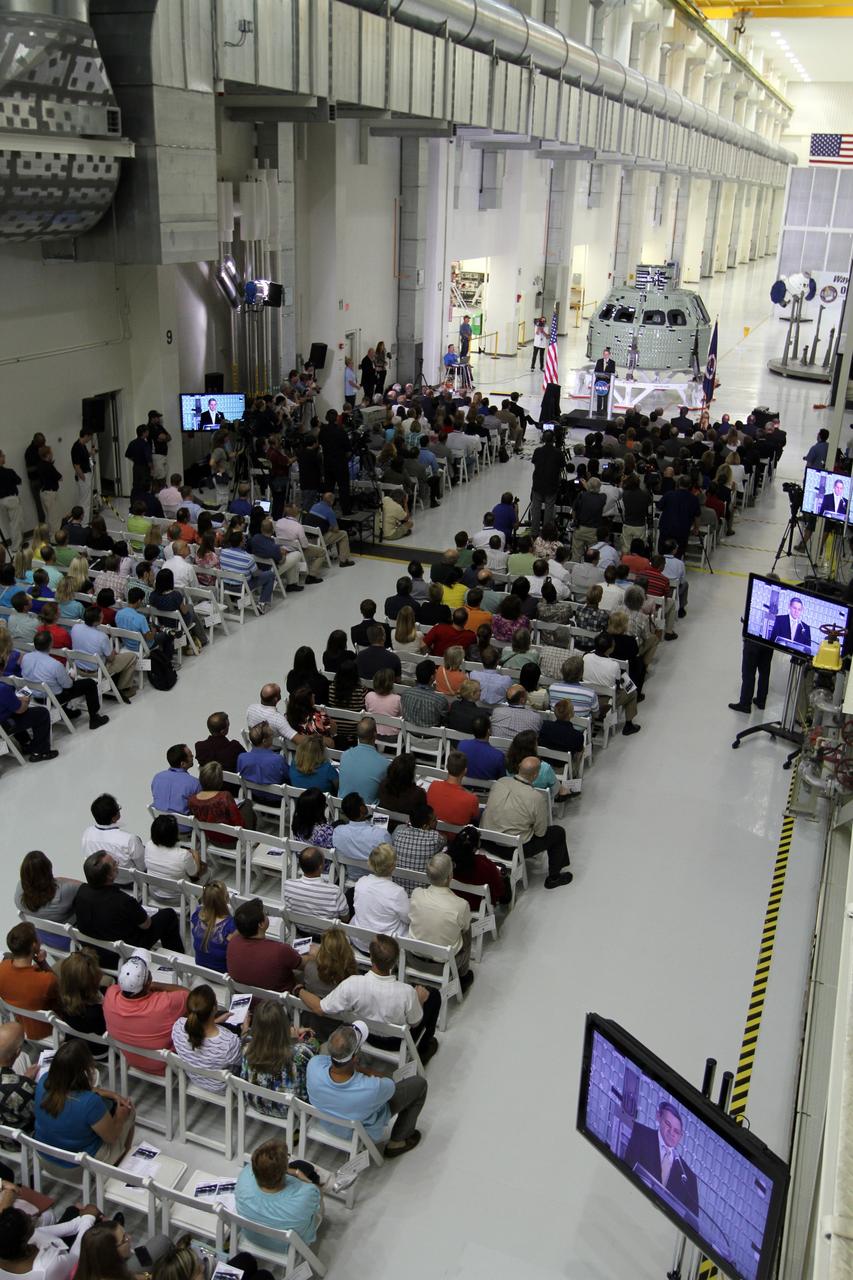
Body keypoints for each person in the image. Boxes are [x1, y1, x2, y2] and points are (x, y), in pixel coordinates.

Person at [297, 934, 440, 1061]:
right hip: (397, 1042)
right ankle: (424, 1049)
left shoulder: (352, 984)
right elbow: (415, 1023)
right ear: (396, 961)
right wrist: (419, 1001)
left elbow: (320, 1007)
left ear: (371, 957)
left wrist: (299, 990)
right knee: (433, 994)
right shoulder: (407, 992)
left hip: (364, 1034)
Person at [306, 1022, 428, 1157]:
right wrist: (366, 1071)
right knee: (419, 1084)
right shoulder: (372, 1088)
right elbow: (390, 1085)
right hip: (358, 1131)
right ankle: (397, 1142)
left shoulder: (313, 1065)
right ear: (355, 1057)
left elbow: (330, 1064)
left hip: (327, 1123)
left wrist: (357, 1068)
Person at [34, 1039, 134, 1165]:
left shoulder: (43, 1081)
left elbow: (70, 1087)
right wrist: (120, 1117)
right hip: (78, 1167)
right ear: (85, 1070)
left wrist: (111, 1094)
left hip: (43, 1156)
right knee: (129, 1110)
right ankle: (122, 1163)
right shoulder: (90, 1102)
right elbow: (112, 1137)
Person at [74, 850, 185, 963]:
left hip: (92, 953)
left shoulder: (81, 893)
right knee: (168, 915)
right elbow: (146, 925)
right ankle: (178, 963)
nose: (117, 864)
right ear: (109, 875)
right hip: (120, 955)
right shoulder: (123, 901)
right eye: (114, 863)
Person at [482, 757, 573, 888]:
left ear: (519, 767)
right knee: (558, 833)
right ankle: (554, 877)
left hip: (487, 841)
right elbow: (541, 833)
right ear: (535, 775)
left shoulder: (500, 782)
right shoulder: (536, 797)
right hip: (512, 849)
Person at [103, 955, 189, 1075]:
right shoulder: (165, 1003)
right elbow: (189, 995)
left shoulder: (111, 994)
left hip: (132, 1060)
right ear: (148, 981)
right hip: (167, 1065)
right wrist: (156, 985)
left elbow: (117, 988)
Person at [235, 1138, 322, 1249]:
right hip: (289, 1247)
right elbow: (318, 1200)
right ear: (285, 1168)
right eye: (287, 1157)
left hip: (252, 1237)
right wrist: (305, 1179)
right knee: (309, 1172)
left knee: (300, 1166)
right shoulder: (306, 1194)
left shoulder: (244, 1177)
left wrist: (293, 1171)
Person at [622, 1100, 699, 1219]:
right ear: (658, 1117)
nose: (671, 1133)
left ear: (681, 1136)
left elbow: (692, 1223)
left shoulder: (689, 1178)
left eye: (676, 1131)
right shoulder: (638, 1133)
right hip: (628, 1208)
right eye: (668, 1124)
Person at [21, 632, 109, 731]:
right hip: (54, 697)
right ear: (51, 644)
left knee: (56, 683)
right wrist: (70, 677)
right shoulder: (55, 665)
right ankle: (94, 719)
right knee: (90, 684)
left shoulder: (25, 658)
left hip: (34, 694)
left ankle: (67, 712)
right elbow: (68, 686)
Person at [409, 852, 473, 988]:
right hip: (443, 966)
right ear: (450, 877)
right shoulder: (461, 905)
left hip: (413, 959)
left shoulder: (416, 894)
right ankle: (463, 974)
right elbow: (465, 929)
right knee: (466, 929)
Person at [239, 999, 318, 1109]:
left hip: (255, 1102)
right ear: (284, 1023)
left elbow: (246, 1036)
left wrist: (245, 1027)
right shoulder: (301, 1053)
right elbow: (314, 1049)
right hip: (290, 1110)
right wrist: (295, 1040)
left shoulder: (246, 1046)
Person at [171, 983, 245, 1091]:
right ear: (214, 1008)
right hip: (223, 1088)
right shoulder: (229, 1043)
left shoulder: (178, 1026)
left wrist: (216, 1021)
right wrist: (245, 1032)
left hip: (194, 1079)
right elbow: (243, 1061)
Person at [227, 898, 303, 993]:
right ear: (261, 924)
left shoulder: (232, 943)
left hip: (246, 996)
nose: (267, 914)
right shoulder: (280, 950)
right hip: (279, 999)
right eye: (265, 914)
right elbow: (302, 965)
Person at [0, 923, 59, 1039]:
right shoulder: (46, 980)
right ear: (34, 945)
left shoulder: (2, 968)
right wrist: (43, 963)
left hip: (21, 1026)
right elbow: (61, 990)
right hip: (49, 1029)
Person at [69, 606, 138, 702]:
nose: (103, 616)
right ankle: (124, 689)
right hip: (97, 672)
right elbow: (111, 659)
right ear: (97, 621)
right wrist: (112, 652)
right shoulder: (102, 637)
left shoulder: (75, 628)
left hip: (78, 669)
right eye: (101, 616)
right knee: (132, 657)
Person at [583, 633, 641, 735]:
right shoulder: (614, 665)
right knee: (632, 691)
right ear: (609, 649)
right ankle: (629, 725)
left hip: (588, 696)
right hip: (606, 701)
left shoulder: (586, 657)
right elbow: (617, 688)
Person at [80, 795, 145, 888]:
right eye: (118, 808)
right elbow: (143, 867)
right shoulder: (129, 839)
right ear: (114, 818)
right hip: (129, 884)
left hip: (101, 882)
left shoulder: (87, 833)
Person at [14, 849, 77, 942]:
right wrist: (61, 880)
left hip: (43, 938)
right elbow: (86, 888)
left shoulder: (19, 894)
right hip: (68, 939)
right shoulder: (64, 891)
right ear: (48, 870)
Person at [351, 844, 410, 937]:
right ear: (393, 866)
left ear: (370, 863)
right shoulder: (397, 892)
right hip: (386, 943)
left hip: (359, 939)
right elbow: (408, 918)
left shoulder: (361, 882)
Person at [57, 950, 107, 1053]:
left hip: (76, 1045)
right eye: (97, 968)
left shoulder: (62, 999)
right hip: (101, 1049)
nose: (100, 971)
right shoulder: (99, 1011)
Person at [144, 814, 203, 895]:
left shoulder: (148, 845)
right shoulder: (183, 855)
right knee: (207, 872)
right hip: (179, 897)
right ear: (174, 834)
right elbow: (194, 873)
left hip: (155, 892)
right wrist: (196, 855)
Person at [283, 846, 348, 919]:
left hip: (298, 925)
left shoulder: (289, 886)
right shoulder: (335, 892)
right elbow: (345, 918)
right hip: (326, 926)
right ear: (321, 867)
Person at [337, 717, 390, 804]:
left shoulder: (345, 755)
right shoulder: (384, 764)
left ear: (358, 735)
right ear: (375, 734)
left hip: (343, 807)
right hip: (366, 810)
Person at [332, 792, 387, 873]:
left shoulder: (338, 832)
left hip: (351, 877)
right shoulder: (381, 834)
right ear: (362, 809)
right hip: (376, 876)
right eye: (364, 803)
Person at [190, 880, 236, 973]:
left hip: (201, 969)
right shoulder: (231, 925)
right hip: (222, 974)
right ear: (226, 899)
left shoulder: (198, 915)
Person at [426, 752, 481, 826]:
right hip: (458, 833)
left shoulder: (433, 785)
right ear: (465, 771)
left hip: (433, 829)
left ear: (446, 767)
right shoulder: (472, 799)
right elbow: (475, 817)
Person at [306, 492, 355, 565]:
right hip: (319, 539)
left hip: (308, 538)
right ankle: (344, 560)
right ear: (332, 501)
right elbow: (336, 529)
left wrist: (326, 527)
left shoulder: (314, 505)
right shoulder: (329, 511)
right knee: (343, 534)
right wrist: (329, 527)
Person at [194, 710, 243, 779]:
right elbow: (246, 761)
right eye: (228, 726)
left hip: (209, 784)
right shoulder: (234, 747)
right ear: (223, 731)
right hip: (231, 785)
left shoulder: (199, 747)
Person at [529, 434, 559, 536]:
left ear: (543, 439)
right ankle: (546, 533)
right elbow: (562, 466)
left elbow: (534, 463)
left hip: (538, 483)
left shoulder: (537, 451)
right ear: (554, 440)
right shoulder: (558, 452)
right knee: (549, 509)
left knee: (536, 508)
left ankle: (534, 532)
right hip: (551, 484)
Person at [71, 428, 94, 521]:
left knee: (84, 499)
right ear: (86, 436)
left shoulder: (82, 445)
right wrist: (83, 478)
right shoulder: (76, 447)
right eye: (90, 437)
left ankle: (83, 521)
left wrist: (90, 453)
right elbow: (76, 466)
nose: (90, 439)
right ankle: (84, 523)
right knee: (85, 502)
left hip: (86, 474)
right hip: (83, 476)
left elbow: (84, 456)